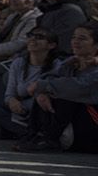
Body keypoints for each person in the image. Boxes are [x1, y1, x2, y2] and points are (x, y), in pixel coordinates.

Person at [18, 22, 98, 153]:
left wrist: (44, 86)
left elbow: (79, 87)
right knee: (49, 93)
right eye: (74, 37)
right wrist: (41, 93)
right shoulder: (71, 63)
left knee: (65, 95)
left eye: (82, 39)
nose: (75, 42)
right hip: (72, 124)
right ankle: (33, 135)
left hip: (91, 126)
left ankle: (50, 140)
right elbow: (47, 77)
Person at [0, 26, 59, 139]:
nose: (33, 39)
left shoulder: (57, 65)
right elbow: (10, 93)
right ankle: (24, 132)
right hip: (17, 111)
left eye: (39, 37)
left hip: (38, 112)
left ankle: (22, 131)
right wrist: (12, 101)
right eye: (30, 36)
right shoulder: (19, 63)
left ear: (51, 45)